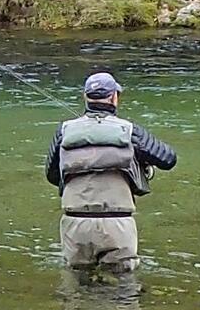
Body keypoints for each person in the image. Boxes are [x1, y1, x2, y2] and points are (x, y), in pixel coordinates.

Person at [44, 71, 176, 274]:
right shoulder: (131, 132)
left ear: (85, 97)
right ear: (114, 97)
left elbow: (52, 175)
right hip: (117, 224)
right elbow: (168, 159)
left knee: (76, 291)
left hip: (75, 224)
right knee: (124, 291)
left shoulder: (64, 131)